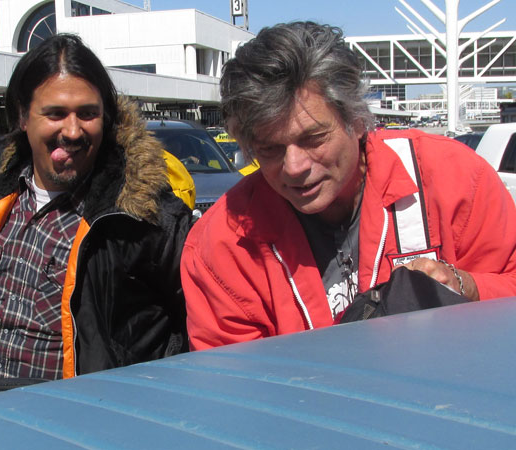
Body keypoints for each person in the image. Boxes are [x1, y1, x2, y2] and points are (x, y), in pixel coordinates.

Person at [181, 21, 516, 350]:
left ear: (356, 120)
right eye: (270, 148)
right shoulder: (222, 243)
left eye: (313, 139)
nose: (294, 167)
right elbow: (233, 381)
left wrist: (466, 287)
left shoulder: (452, 179)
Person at [0, 33, 192, 382]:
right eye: (55, 113)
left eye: (88, 114)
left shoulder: (144, 218)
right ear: (23, 117)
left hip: (74, 426)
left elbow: (200, 325)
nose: (73, 131)